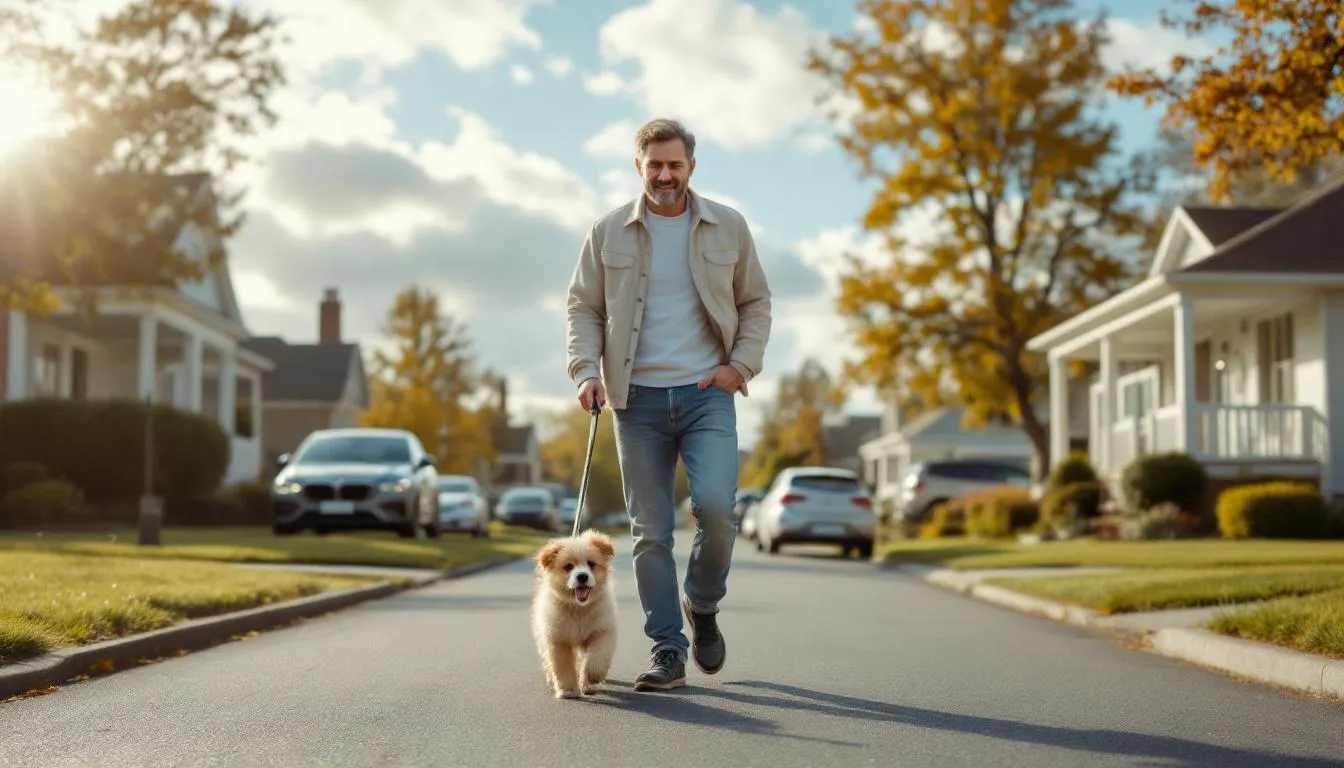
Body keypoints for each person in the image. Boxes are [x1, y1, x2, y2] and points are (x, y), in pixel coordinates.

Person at [564, 118, 772, 692]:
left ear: (691, 168)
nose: (664, 175)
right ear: (639, 167)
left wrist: (741, 365)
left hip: (709, 395)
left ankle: (701, 604)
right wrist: (586, 372)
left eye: (674, 165)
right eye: (654, 165)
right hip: (638, 402)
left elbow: (755, 301)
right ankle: (667, 651)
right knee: (650, 531)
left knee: (715, 509)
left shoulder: (728, 226)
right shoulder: (608, 232)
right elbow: (583, 308)